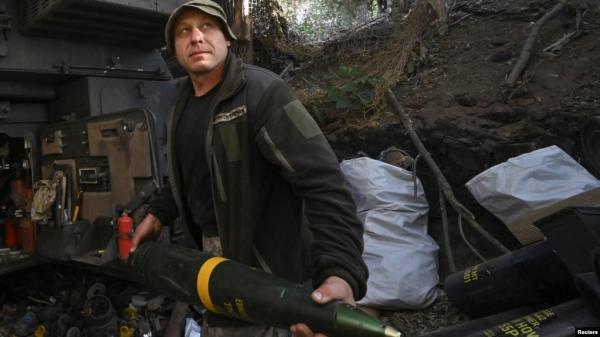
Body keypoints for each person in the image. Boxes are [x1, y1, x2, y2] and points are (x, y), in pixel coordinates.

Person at [130, 1, 368, 336]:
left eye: (207, 27)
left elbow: (324, 181)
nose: (196, 37)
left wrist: (341, 272)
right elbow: (197, 172)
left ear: (227, 39)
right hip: (216, 272)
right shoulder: (181, 102)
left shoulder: (261, 94)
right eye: (184, 31)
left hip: (271, 281)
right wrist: (159, 211)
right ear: (174, 48)